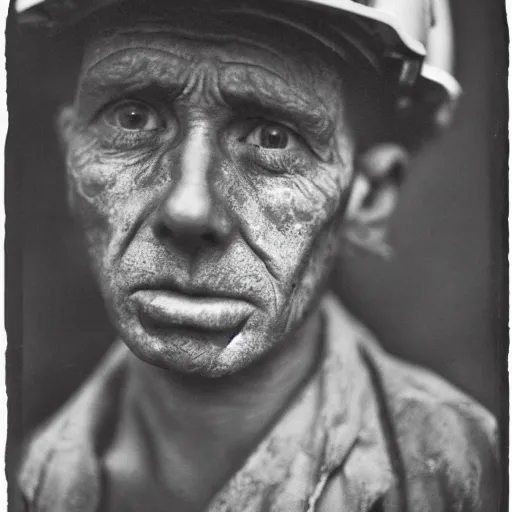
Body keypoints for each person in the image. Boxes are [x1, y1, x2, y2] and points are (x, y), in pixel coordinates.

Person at [15, 0, 498, 510]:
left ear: (368, 191)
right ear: (71, 153)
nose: (189, 207)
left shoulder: (471, 473)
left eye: (273, 136)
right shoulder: (24, 479)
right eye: (132, 117)